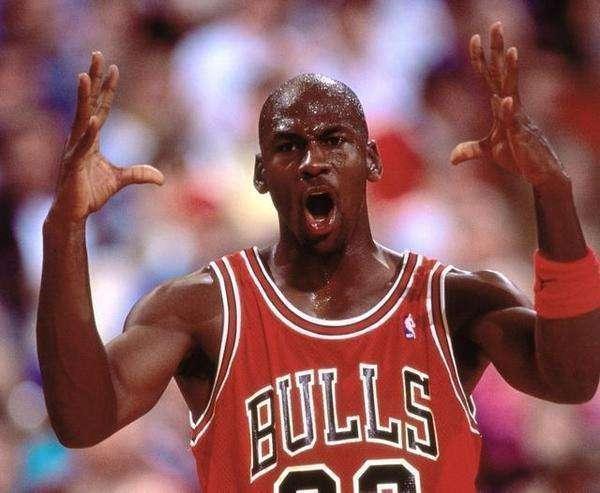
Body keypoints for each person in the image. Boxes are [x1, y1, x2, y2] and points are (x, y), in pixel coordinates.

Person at [37, 22, 599, 492]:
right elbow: (82, 421)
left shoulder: (454, 301)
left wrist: (552, 191)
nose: (313, 161)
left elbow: (572, 378)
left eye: (334, 141)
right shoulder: (203, 309)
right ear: (261, 174)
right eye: (289, 146)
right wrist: (64, 230)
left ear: (372, 159)